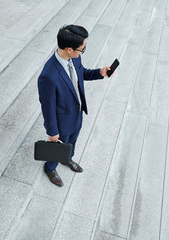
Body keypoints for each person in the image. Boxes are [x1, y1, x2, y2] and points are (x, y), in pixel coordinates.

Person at [38, 24, 111, 187]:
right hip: (61, 121)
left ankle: (67, 158)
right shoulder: (48, 76)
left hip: (76, 114)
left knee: (73, 140)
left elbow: (81, 73)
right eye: (82, 49)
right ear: (69, 49)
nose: (82, 51)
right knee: (58, 147)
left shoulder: (74, 58)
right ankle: (50, 168)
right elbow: (47, 106)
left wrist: (99, 72)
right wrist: (52, 131)